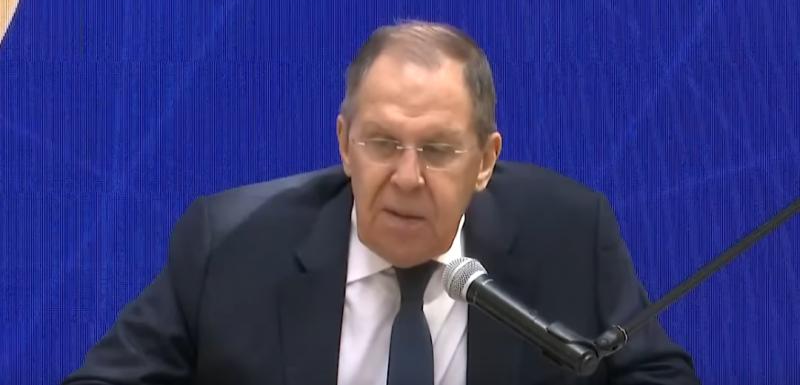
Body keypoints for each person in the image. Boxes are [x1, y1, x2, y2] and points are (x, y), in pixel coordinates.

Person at [63, 20, 699, 385]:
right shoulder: (230, 244)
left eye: (438, 150)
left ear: (485, 161)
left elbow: (657, 376)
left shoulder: (568, 234)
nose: (407, 177)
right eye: (383, 143)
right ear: (345, 144)